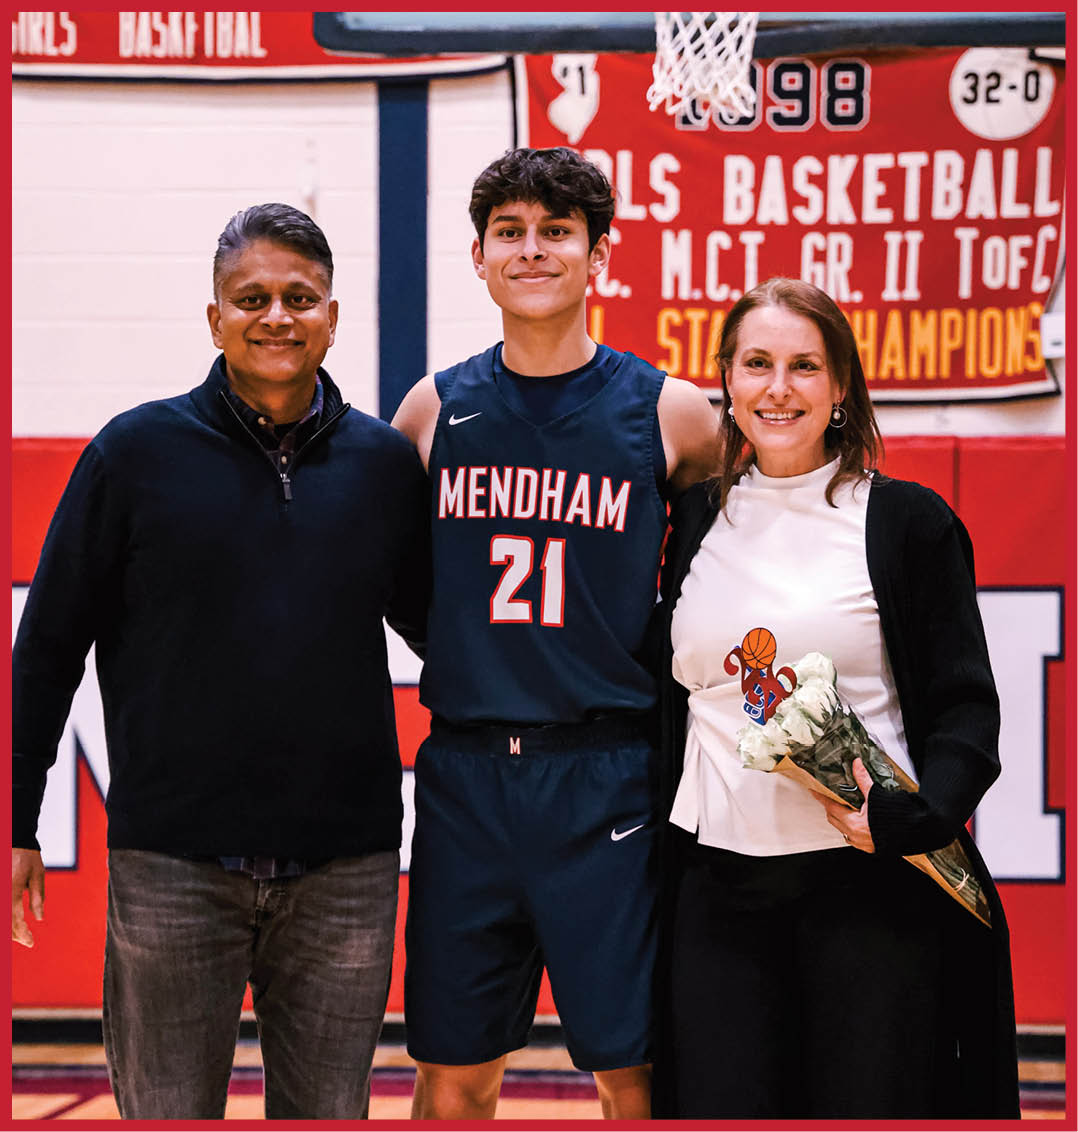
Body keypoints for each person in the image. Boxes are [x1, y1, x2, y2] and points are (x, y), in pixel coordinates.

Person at [11, 203, 430, 1120]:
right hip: (172, 865)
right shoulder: (134, 453)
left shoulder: (386, 465)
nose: (275, 315)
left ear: (331, 315)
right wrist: (19, 821)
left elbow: (450, 641)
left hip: (344, 869)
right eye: (251, 299)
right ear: (215, 319)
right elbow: (46, 646)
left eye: (298, 297)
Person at [391, 146, 721, 1119]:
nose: (532, 251)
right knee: (452, 1068)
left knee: (633, 1067)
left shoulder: (673, 414)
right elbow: (401, 582)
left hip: (606, 774)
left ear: (598, 257)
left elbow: (704, 596)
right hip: (466, 772)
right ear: (479, 257)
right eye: (510, 233)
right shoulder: (431, 408)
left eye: (556, 232)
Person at [652, 277, 1019, 1119]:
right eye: (757, 364)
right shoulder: (691, 524)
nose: (779, 388)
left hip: (865, 892)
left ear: (841, 386)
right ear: (728, 382)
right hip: (716, 895)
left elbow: (968, 709)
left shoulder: (905, 523)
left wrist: (918, 816)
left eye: (804, 366)